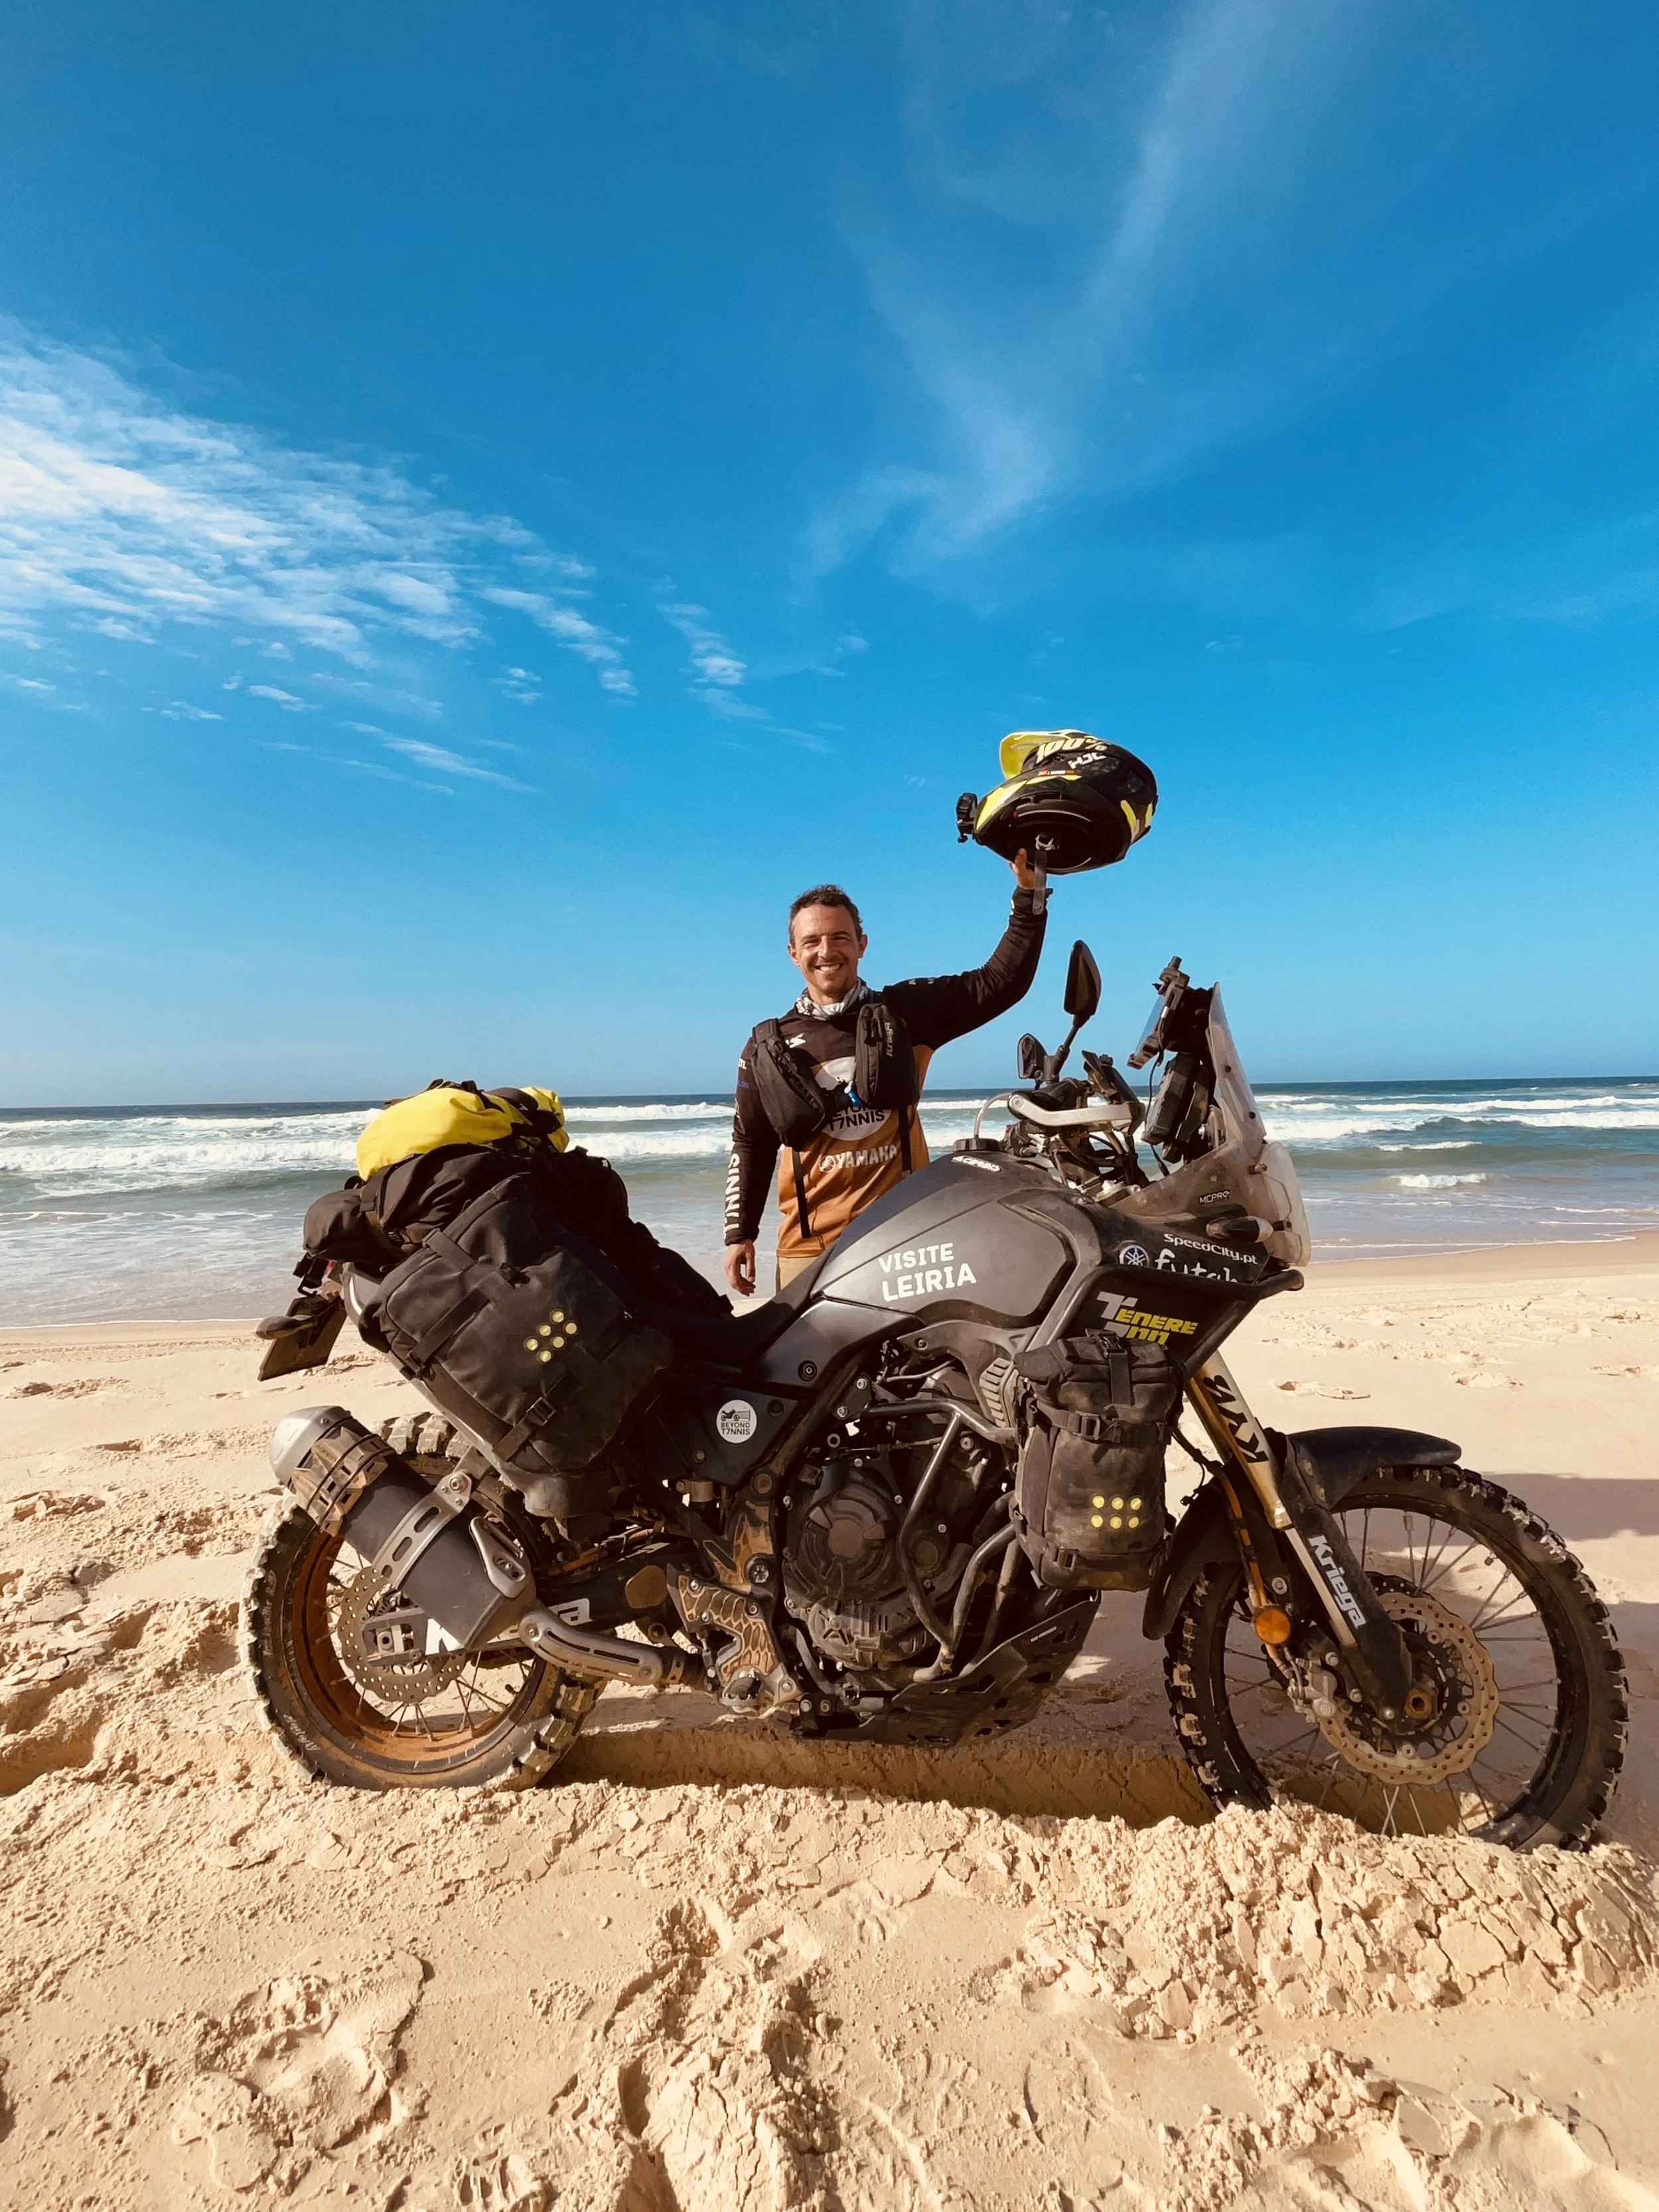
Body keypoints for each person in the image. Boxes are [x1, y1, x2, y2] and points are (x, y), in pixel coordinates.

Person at [724, 854, 1046, 1294]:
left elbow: (999, 982)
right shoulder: (767, 1047)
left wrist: (1029, 895)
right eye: (812, 941)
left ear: (862, 944)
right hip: (808, 1250)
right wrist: (739, 1233)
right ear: (793, 953)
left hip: (907, 1236)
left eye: (840, 937)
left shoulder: (906, 1013)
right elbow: (751, 1141)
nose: (826, 951)